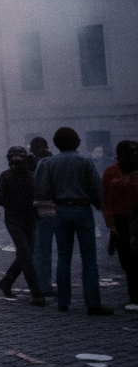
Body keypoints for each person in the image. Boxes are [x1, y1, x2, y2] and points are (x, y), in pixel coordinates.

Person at [35, 126, 112, 315]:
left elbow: (44, 190)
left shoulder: (50, 163)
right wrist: (98, 204)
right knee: (88, 258)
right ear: (77, 141)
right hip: (82, 209)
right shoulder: (84, 162)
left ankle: (63, 301)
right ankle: (93, 304)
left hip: (61, 210)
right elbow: (96, 188)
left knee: (63, 257)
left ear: (57, 143)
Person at [0, 146, 46, 305]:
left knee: (25, 254)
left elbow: (37, 194)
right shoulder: (6, 176)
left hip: (29, 219)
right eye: (15, 158)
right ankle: (37, 295)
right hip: (14, 219)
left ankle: (7, 281)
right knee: (26, 255)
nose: (17, 161)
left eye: (20, 157)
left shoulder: (30, 176)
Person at [102, 140, 138, 310]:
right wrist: (111, 223)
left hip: (134, 218)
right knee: (127, 261)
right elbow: (106, 199)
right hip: (120, 220)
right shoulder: (110, 171)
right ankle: (134, 296)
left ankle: (135, 297)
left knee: (133, 259)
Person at [29, 135, 55, 295]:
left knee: (39, 249)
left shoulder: (28, 163)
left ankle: (41, 284)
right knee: (52, 250)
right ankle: (45, 285)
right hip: (54, 207)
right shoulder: (52, 161)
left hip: (35, 209)